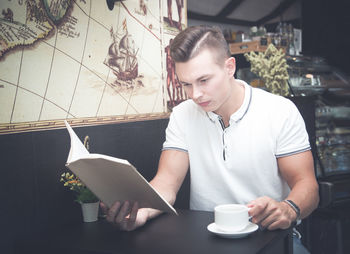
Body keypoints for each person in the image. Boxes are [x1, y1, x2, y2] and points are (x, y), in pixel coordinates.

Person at [101, 25, 319, 253]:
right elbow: (166, 182)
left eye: (203, 80)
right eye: (186, 84)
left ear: (229, 67)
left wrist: (288, 208)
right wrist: (142, 212)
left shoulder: (280, 111)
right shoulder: (182, 115)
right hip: (204, 239)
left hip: (271, 237)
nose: (195, 94)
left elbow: (308, 186)